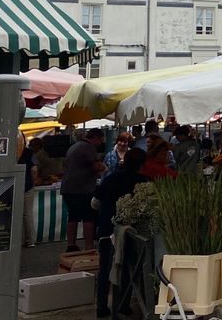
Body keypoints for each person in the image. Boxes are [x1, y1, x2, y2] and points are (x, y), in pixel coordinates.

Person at [93, 148, 150, 318]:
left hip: (106, 230)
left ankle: (101, 307)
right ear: (142, 165)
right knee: (127, 268)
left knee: (105, 269)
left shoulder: (110, 179)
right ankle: (123, 305)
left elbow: (95, 203)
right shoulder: (143, 182)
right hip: (131, 232)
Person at [62, 127, 105, 252]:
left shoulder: (74, 146)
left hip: (68, 188)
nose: (100, 143)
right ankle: (89, 246)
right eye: (100, 140)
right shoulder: (88, 147)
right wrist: (103, 167)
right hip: (83, 189)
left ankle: (71, 245)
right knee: (88, 217)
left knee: (73, 216)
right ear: (95, 138)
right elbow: (96, 167)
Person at [20, 137, 42, 248]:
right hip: (27, 186)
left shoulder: (11, 151)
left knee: (15, 213)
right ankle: (30, 240)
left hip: (13, 186)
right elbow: (34, 170)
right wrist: (34, 181)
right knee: (27, 214)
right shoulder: (29, 153)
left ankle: (19, 240)